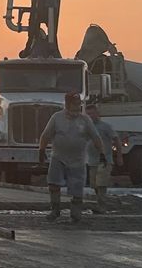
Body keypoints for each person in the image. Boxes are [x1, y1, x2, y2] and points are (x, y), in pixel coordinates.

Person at [36, 92, 107, 223]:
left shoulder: (85, 120)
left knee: (77, 187)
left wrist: (102, 153)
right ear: (67, 104)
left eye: (78, 104)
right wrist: (41, 150)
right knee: (53, 184)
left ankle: (75, 214)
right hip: (58, 157)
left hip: (77, 160)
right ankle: (55, 210)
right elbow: (46, 135)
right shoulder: (57, 118)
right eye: (74, 105)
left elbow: (96, 137)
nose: (77, 107)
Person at [87, 103, 120, 215]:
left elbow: (116, 140)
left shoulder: (105, 126)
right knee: (94, 184)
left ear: (97, 113)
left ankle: (102, 206)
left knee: (101, 184)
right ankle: (102, 202)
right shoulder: (87, 127)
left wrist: (119, 156)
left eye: (92, 113)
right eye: (88, 114)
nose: (90, 116)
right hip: (92, 161)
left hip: (104, 160)